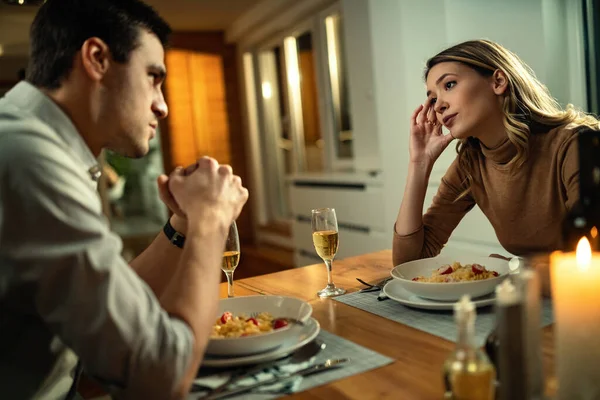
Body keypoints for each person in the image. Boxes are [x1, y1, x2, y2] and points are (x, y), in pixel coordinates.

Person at [0, 0, 248, 399]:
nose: (162, 106)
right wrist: (212, 219)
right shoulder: (31, 161)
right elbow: (163, 373)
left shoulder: (33, 143)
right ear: (97, 58)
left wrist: (183, 225)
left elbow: (110, 303)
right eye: (153, 77)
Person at [393, 39, 600, 266]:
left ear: (498, 81)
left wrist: (516, 269)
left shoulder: (574, 145)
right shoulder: (471, 163)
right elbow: (408, 262)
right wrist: (419, 164)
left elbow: (591, 261)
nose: (439, 105)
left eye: (449, 85)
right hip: (538, 295)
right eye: (432, 98)